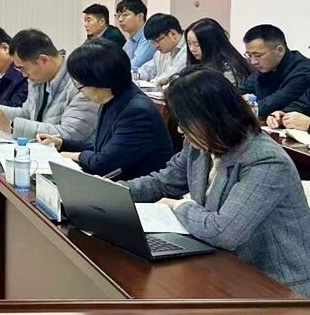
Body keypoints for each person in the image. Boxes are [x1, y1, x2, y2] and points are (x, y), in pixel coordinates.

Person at [126, 67, 310, 296]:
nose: (180, 130)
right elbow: (162, 183)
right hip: (223, 266)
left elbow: (225, 231)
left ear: (213, 117)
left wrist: (178, 206)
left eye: (185, 121)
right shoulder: (201, 143)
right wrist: (110, 192)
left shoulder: (265, 160)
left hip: (276, 286)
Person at [37, 38, 173, 178]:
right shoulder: (113, 97)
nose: (80, 91)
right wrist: (62, 143)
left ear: (102, 81)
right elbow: (102, 148)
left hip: (133, 187)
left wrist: (71, 155)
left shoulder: (137, 112)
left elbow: (102, 163)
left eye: (80, 86)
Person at [0, 29, 97, 142]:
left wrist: (12, 126)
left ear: (43, 60)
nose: (23, 75)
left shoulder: (81, 82)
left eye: (23, 69)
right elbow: (27, 114)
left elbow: (71, 134)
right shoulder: (38, 79)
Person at [241, 24, 310, 120]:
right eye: (249, 55)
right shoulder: (265, 66)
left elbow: (270, 106)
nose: (253, 62)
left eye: (258, 55)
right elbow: (238, 93)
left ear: (280, 50)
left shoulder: (304, 70)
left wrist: (241, 105)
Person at [185, 18, 251, 91]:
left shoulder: (228, 69)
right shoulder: (198, 63)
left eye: (197, 44)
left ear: (211, 43)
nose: (192, 49)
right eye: (189, 44)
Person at [135, 13, 188, 86]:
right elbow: (147, 70)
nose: (155, 46)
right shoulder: (161, 52)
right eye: (152, 42)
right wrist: (133, 76)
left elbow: (168, 76)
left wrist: (153, 83)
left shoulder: (188, 49)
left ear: (172, 34)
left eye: (157, 41)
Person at [116, 0, 154, 72]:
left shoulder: (148, 36)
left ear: (140, 16)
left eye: (125, 15)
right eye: (118, 16)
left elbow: (134, 66)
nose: (120, 19)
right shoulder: (132, 38)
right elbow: (119, 61)